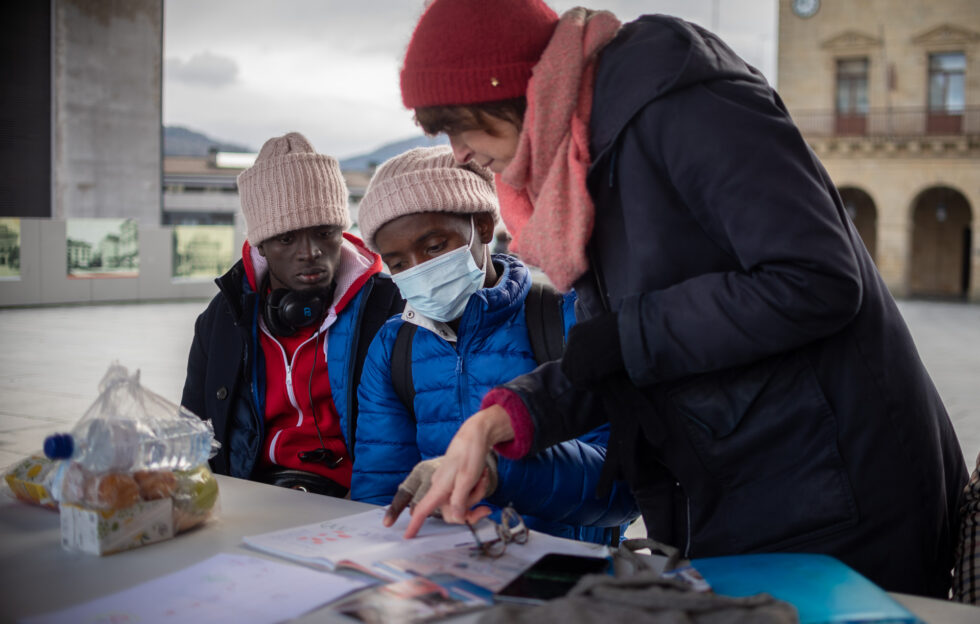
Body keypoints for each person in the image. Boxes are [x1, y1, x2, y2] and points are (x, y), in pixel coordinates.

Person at [389, 0, 968, 598]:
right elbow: (621, 351)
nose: (459, 152)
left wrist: (627, 336)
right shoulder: (579, 162)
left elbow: (815, 278)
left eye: (459, 125)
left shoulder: (680, 101)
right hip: (749, 491)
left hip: (840, 496)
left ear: (509, 90)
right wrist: (510, 414)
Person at [350, 145, 638, 545]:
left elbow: (623, 490)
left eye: (434, 247)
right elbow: (380, 497)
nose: (419, 270)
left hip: (562, 568)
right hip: (441, 568)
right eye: (398, 263)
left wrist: (494, 471)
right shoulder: (393, 347)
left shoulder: (567, 319)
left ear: (483, 227)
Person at [181, 132, 403, 497]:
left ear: (342, 231)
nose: (310, 251)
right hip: (251, 495)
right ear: (261, 246)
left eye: (324, 232)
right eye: (286, 239)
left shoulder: (390, 306)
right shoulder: (223, 317)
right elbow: (192, 429)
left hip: (356, 501)